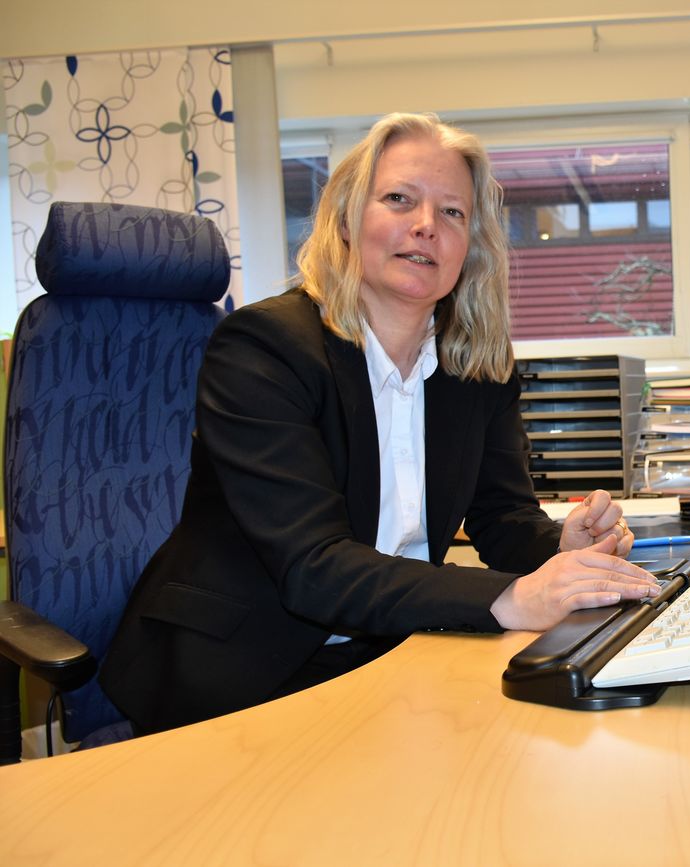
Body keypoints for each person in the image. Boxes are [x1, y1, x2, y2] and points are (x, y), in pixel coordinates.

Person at [100, 113, 658, 735]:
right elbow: (314, 566)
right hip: (246, 669)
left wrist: (561, 545)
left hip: (396, 648)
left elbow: (502, 518)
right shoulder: (264, 349)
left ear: (470, 246)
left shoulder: (477, 368)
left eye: (453, 212)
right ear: (346, 219)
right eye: (398, 198)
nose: (426, 225)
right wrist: (510, 598)